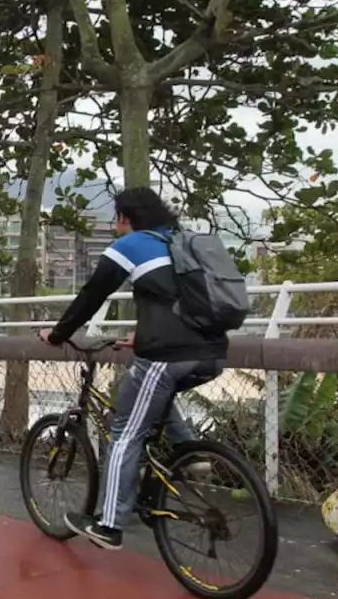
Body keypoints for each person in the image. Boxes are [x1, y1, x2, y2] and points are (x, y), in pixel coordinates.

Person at [38, 188, 226, 550]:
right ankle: (191, 455)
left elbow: (92, 295)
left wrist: (59, 334)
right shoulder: (184, 242)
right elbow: (180, 300)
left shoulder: (132, 244)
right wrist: (142, 335)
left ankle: (109, 525)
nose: (115, 226)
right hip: (214, 353)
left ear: (125, 218)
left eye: (116, 219)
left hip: (169, 355)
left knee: (124, 432)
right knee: (150, 392)